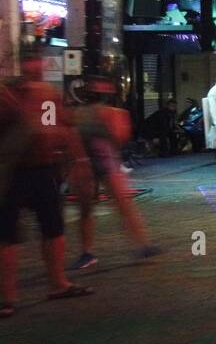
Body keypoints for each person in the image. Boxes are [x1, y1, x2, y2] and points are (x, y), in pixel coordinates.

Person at [0, 50, 93, 315]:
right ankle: (7, 297)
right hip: (14, 171)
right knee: (7, 234)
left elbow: (60, 127)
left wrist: (76, 160)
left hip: (44, 169)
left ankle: (58, 283)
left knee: (53, 228)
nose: (36, 66)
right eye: (31, 61)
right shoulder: (7, 95)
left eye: (38, 61)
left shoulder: (46, 93)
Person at [69, 77, 160, 270]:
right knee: (86, 208)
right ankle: (86, 253)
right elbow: (73, 138)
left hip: (107, 162)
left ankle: (142, 245)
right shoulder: (80, 114)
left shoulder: (113, 113)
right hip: (89, 163)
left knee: (123, 205)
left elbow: (119, 137)